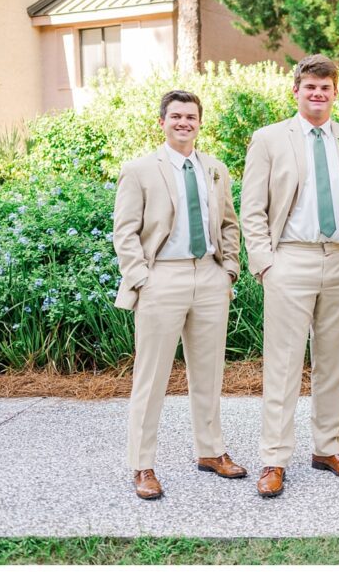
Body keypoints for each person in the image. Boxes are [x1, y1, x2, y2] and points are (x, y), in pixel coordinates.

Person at [240, 55, 339, 498]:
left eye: (326, 87)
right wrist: (265, 263)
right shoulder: (269, 139)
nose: (318, 94)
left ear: (336, 92)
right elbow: (252, 208)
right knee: (283, 363)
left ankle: (329, 448)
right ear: (295, 90)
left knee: (334, 361)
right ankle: (274, 458)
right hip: (289, 260)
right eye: (310, 87)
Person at [113, 89, 247, 500]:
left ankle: (210, 452)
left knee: (208, 374)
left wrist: (228, 271)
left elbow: (228, 223)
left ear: (199, 122)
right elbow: (125, 231)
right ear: (162, 121)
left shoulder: (215, 168)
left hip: (208, 277)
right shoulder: (139, 170)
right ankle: (142, 465)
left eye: (191, 116)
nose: (184, 122)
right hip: (162, 279)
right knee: (150, 377)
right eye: (176, 116)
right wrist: (142, 278)